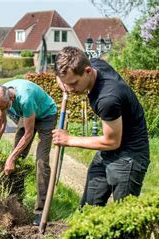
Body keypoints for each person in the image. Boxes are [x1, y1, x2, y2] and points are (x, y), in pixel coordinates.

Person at [52, 46, 150, 207]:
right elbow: (64, 75)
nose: (70, 89)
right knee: (89, 208)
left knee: (123, 217)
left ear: (88, 71)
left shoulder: (108, 98)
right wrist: (62, 81)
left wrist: (69, 139)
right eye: (65, 83)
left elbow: (112, 142)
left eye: (74, 83)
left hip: (129, 156)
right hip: (107, 152)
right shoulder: (93, 63)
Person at [0, 79, 57, 225]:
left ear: (11, 98)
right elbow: (0, 122)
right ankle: (15, 204)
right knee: (17, 158)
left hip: (46, 116)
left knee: (41, 162)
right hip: (27, 115)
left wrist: (11, 158)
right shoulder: (2, 94)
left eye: (3, 108)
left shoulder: (25, 98)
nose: (2, 111)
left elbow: (28, 134)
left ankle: (41, 211)